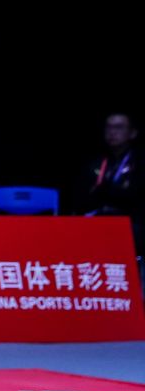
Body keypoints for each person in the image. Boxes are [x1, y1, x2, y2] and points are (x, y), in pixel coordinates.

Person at [78, 112, 141, 298]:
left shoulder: (139, 163)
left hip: (131, 223)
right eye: (109, 127)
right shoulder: (96, 162)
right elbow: (83, 196)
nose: (113, 132)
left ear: (133, 133)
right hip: (99, 221)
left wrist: (106, 191)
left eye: (119, 127)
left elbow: (134, 196)